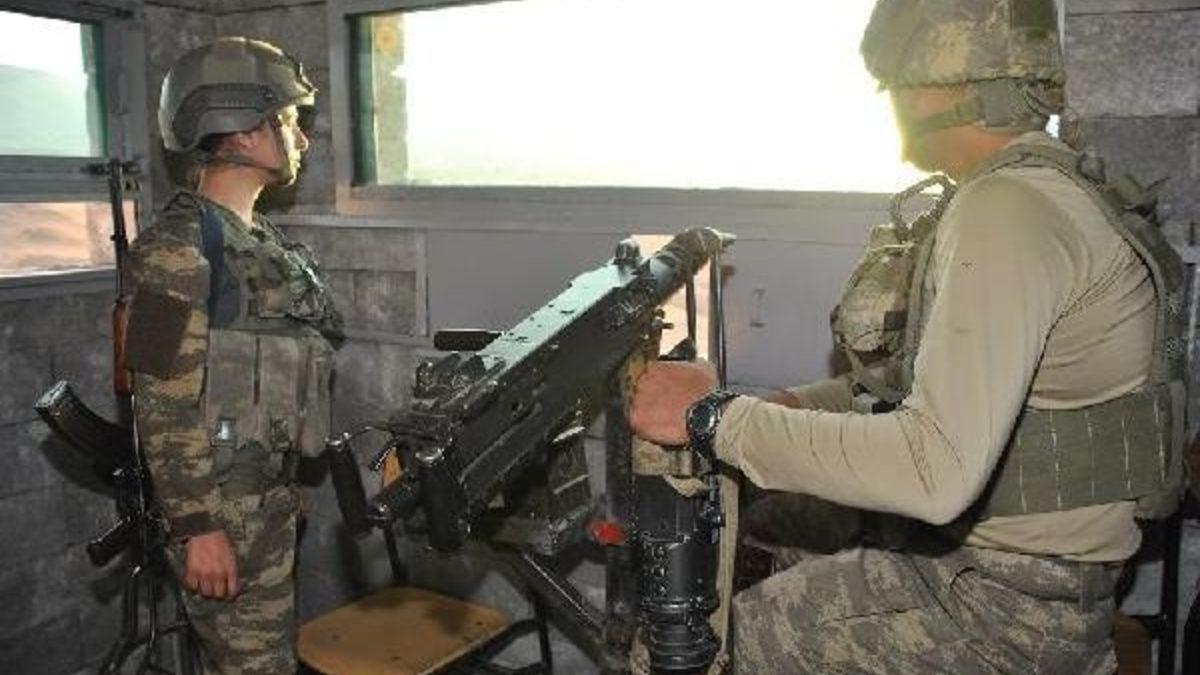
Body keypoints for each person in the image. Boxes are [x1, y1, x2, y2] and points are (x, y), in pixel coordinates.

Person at [628, 0, 1187, 672]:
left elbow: (934, 470)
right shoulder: (1046, 189)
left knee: (699, 641)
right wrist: (797, 405)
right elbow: (926, 385)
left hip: (1002, 610)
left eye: (893, 86)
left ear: (934, 88)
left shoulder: (1004, 212)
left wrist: (712, 417)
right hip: (1024, 570)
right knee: (767, 523)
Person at [123, 36, 343, 674]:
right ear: (246, 131)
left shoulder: (257, 238)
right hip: (221, 515)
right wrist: (199, 528)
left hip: (264, 503)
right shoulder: (176, 249)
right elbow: (160, 401)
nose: (302, 138)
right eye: (291, 121)